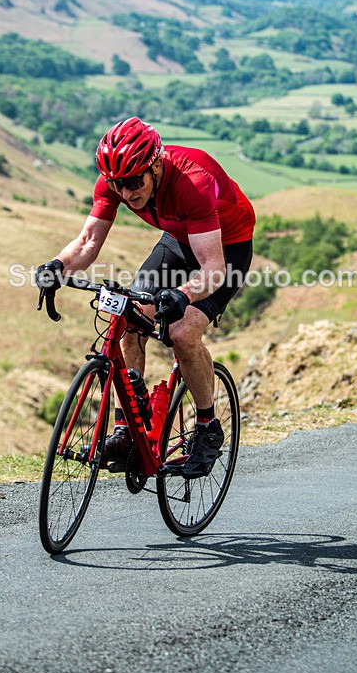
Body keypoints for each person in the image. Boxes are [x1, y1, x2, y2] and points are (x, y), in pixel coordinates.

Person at [37, 117, 255, 477]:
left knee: (182, 333)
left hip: (227, 247)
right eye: (117, 184)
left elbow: (213, 269)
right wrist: (57, 266)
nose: (126, 192)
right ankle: (127, 429)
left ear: (155, 166)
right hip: (178, 239)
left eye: (134, 182)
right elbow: (88, 242)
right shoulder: (115, 180)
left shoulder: (193, 181)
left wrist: (182, 295)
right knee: (130, 313)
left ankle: (207, 427)